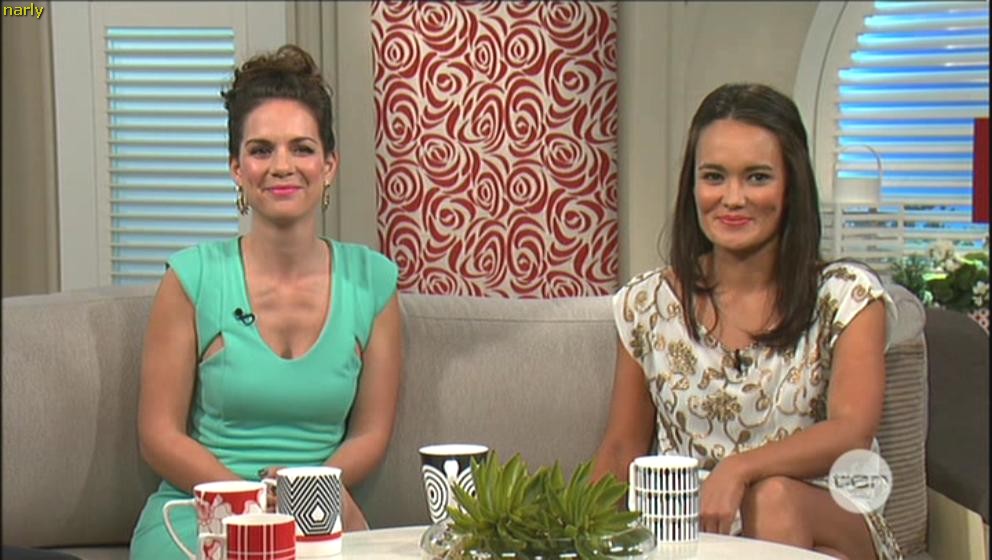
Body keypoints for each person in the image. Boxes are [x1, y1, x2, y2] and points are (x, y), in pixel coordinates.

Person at [592, 83, 903, 559]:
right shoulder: (646, 304)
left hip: (826, 515)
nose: (733, 198)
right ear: (693, 186)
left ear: (791, 186)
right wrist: (571, 536)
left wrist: (739, 468)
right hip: (695, 539)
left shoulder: (847, 296)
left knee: (773, 499)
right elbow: (621, 449)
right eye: (714, 177)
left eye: (757, 177)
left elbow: (851, 431)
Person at [130, 44, 403, 557]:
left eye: (302, 148)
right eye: (261, 150)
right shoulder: (191, 278)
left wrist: (304, 495)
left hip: (315, 514)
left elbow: (370, 433)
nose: (282, 166)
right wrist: (255, 503)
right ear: (236, 168)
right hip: (201, 513)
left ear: (329, 165)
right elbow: (158, 435)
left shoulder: (374, 283)